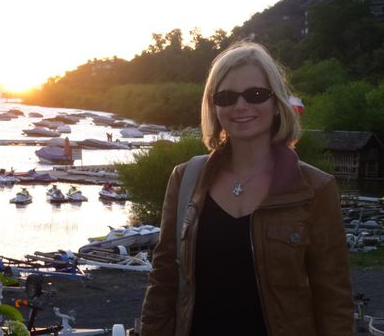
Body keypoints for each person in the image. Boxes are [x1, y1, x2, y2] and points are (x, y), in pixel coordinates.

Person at [140, 41, 354, 335]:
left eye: (255, 95)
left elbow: (334, 301)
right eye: (226, 97)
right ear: (214, 107)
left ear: (276, 103)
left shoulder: (315, 189)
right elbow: (163, 281)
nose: (240, 106)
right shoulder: (186, 180)